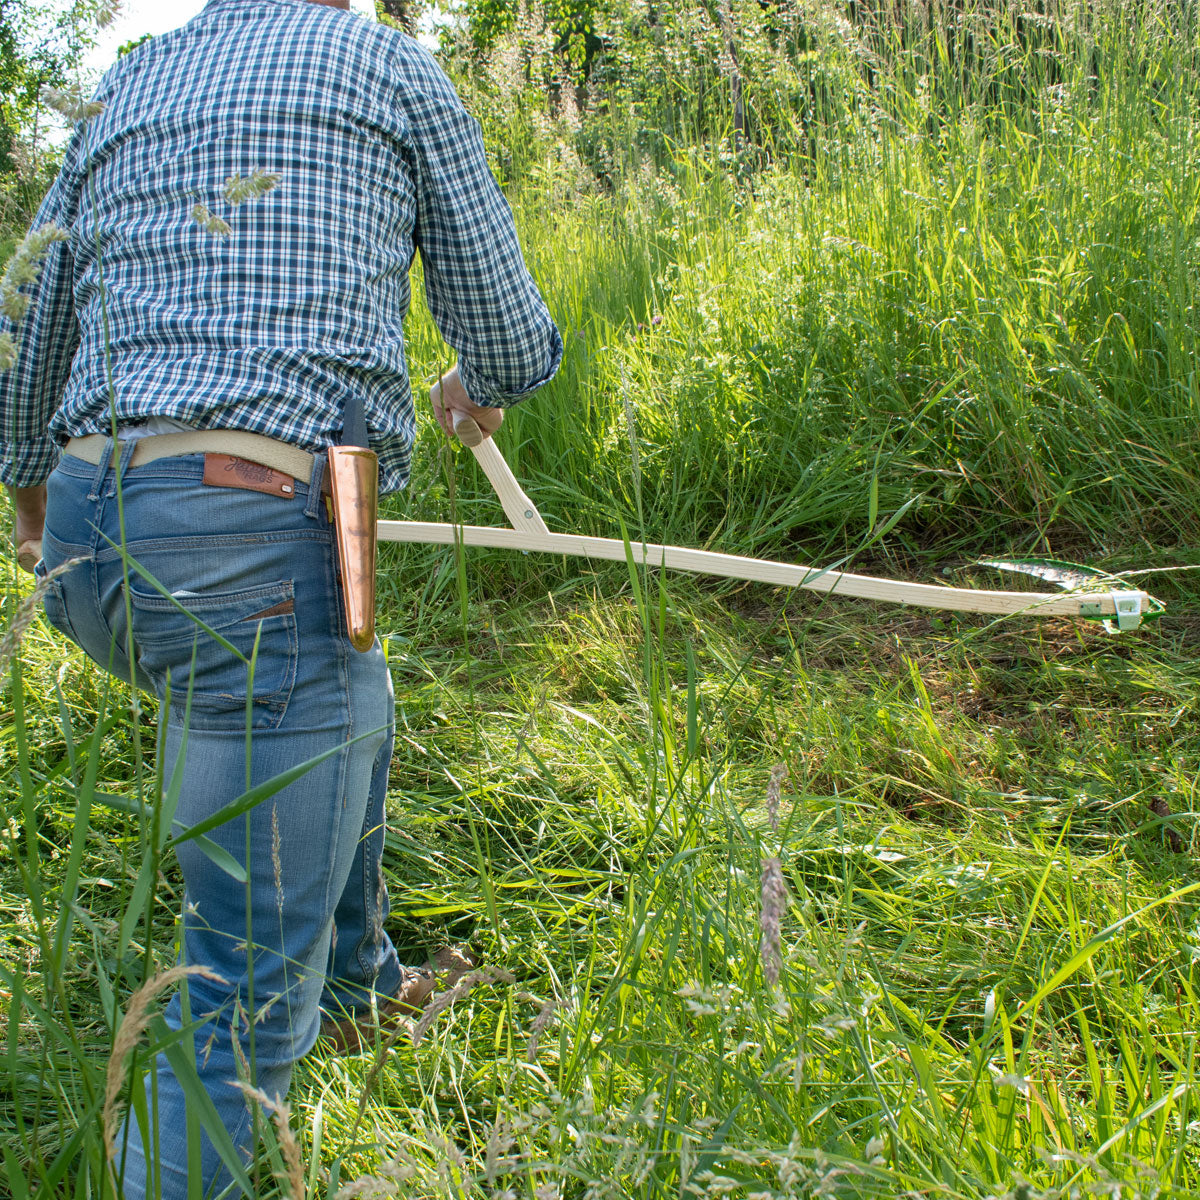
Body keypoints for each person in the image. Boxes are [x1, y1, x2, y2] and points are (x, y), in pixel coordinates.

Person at [0, 0, 562, 1195]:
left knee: (348, 684)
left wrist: (33, 500)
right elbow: (508, 336)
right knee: (242, 992)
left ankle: (360, 981)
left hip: (94, 537)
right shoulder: (385, 65)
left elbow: (31, 325)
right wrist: (476, 381)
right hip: (245, 547)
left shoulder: (132, 79)